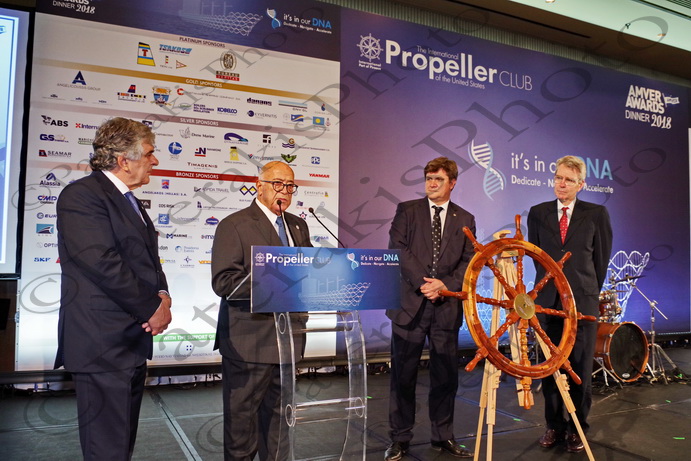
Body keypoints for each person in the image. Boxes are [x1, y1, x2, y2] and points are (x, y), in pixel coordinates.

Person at [54, 117, 172, 460]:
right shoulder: (82, 196)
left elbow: (149, 260)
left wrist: (162, 296)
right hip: (102, 344)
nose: (154, 160)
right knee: (106, 449)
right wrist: (151, 308)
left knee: (120, 447)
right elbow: (102, 262)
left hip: (129, 342)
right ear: (124, 160)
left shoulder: (128, 200)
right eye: (148, 153)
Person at [211, 161, 312, 461]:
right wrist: (276, 282)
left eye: (290, 186)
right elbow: (224, 282)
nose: (285, 191)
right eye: (278, 184)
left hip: (289, 339)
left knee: (280, 425)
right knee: (242, 427)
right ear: (260, 186)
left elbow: (308, 274)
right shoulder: (234, 225)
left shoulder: (298, 226)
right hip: (249, 342)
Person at [385, 157, 475, 460]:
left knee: (445, 376)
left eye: (438, 179)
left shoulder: (466, 218)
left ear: (452, 183)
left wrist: (444, 285)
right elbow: (398, 248)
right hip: (410, 306)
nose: (432, 184)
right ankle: (400, 438)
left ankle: (443, 436)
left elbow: (469, 261)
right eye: (428, 178)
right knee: (403, 376)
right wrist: (426, 284)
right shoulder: (407, 210)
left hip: (446, 307)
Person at [528, 155, 612, 453]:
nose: (561, 184)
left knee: (580, 367)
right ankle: (554, 426)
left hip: (582, 304)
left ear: (581, 184)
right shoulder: (538, 213)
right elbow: (537, 257)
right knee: (551, 367)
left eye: (568, 180)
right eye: (558, 178)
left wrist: (585, 293)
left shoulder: (596, 214)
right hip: (547, 302)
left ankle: (577, 428)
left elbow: (600, 261)